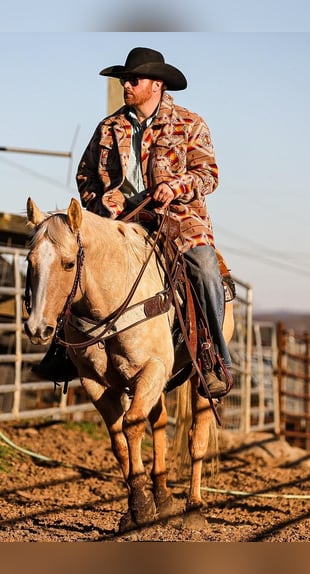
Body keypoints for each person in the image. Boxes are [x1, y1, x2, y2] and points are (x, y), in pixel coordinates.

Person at [76, 46, 232, 399]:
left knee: (206, 268)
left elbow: (208, 174)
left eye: (133, 80)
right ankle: (66, 350)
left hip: (178, 219)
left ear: (157, 85)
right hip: (119, 221)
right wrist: (101, 199)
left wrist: (174, 186)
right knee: (72, 261)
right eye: (124, 80)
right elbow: (85, 176)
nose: (126, 85)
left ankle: (213, 357)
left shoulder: (190, 123)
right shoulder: (108, 127)